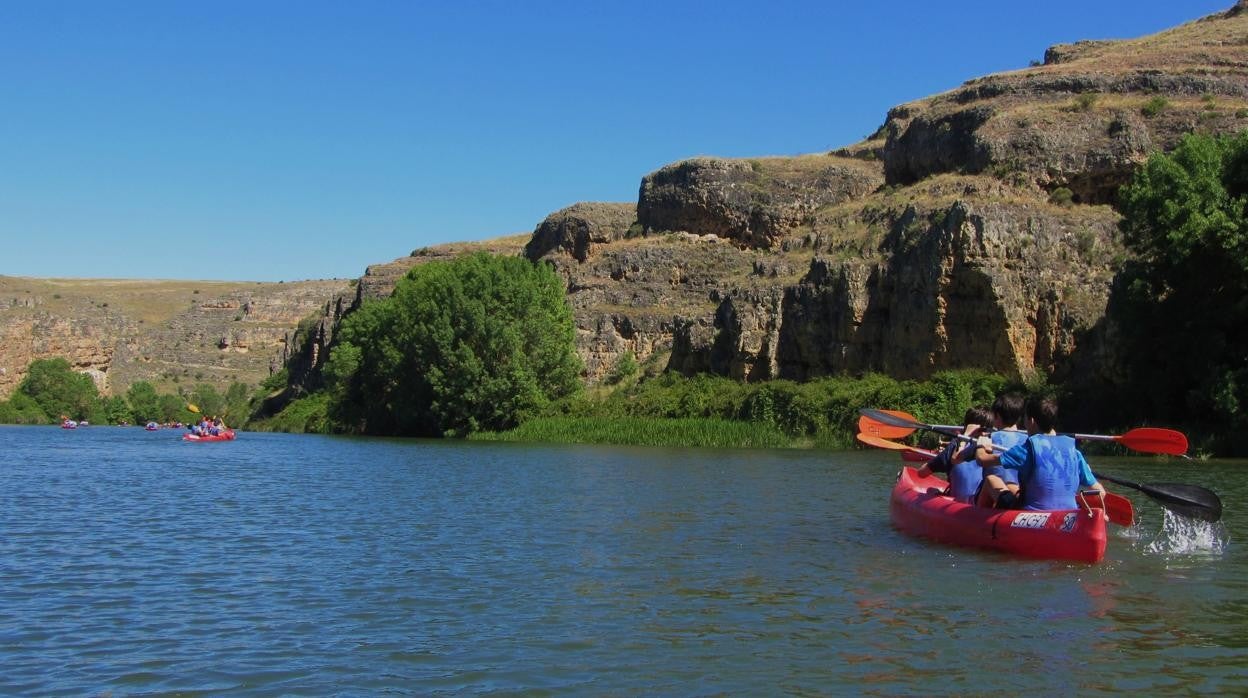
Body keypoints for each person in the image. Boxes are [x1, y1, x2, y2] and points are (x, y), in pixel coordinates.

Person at [974, 395, 1106, 511]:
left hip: (1031, 514)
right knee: (1013, 487)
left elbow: (981, 459)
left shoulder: (1026, 450)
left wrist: (981, 443)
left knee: (992, 479)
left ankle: (981, 523)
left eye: (1024, 419)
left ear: (1031, 421)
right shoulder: (1075, 452)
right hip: (1066, 514)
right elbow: (1100, 492)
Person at [915, 405, 992, 503]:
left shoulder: (955, 446)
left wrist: (965, 436)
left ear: (967, 426)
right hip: (984, 505)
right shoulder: (994, 446)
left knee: (931, 490)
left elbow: (921, 473)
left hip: (960, 506)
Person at [975, 392, 1029, 508]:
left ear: (997, 416)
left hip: (993, 498)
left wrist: (971, 437)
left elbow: (957, 458)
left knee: (989, 480)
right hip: (1018, 494)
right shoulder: (1029, 441)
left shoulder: (989, 438)